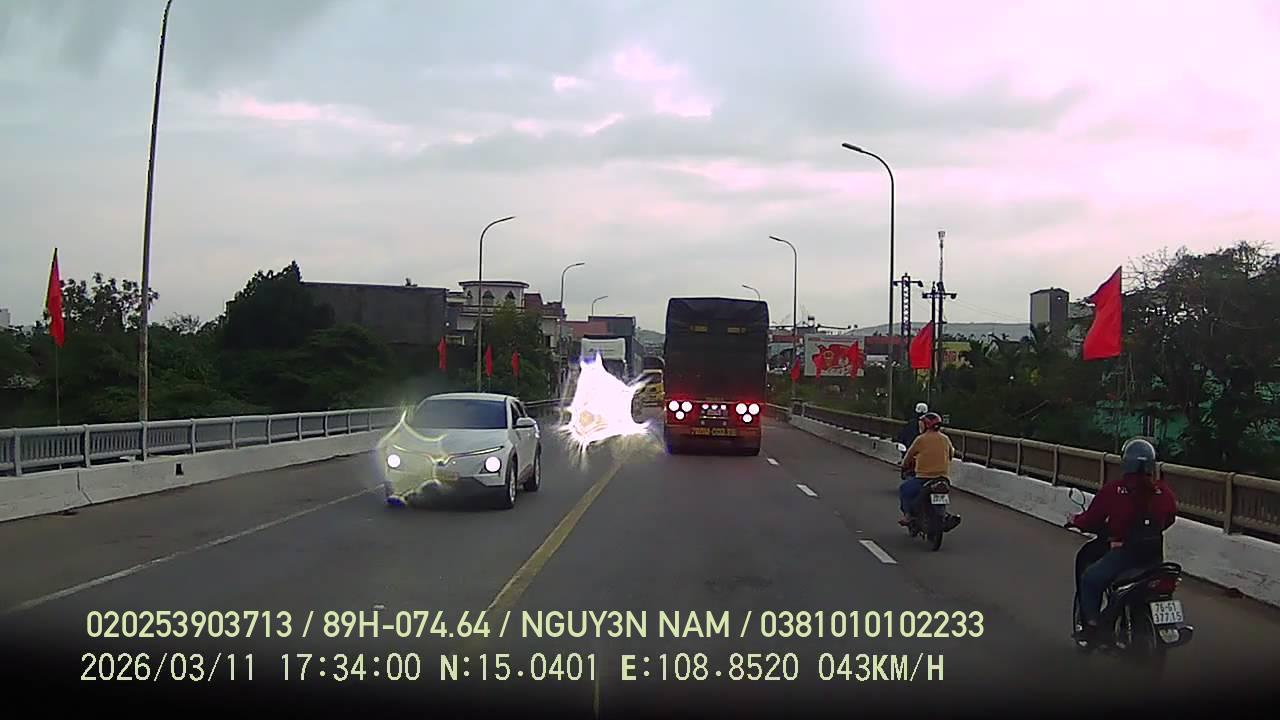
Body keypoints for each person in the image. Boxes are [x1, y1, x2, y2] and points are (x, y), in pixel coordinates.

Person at [1067, 437, 1177, 645]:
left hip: (1125, 555)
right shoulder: (1163, 492)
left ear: (1126, 462)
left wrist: (1075, 520)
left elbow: (1091, 520)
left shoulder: (1114, 491)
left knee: (1089, 580)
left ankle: (1091, 627)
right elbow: (1169, 518)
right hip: (1154, 558)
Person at [899, 412, 959, 528]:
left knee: (904, 489)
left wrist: (904, 465)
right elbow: (951, 454)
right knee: (941, 496)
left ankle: (908, 516)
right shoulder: (945, 439)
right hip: (943, 478)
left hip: (923, 478)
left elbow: (908, 456)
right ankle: (944, 516)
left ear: (926, 425)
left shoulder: (921, 439)